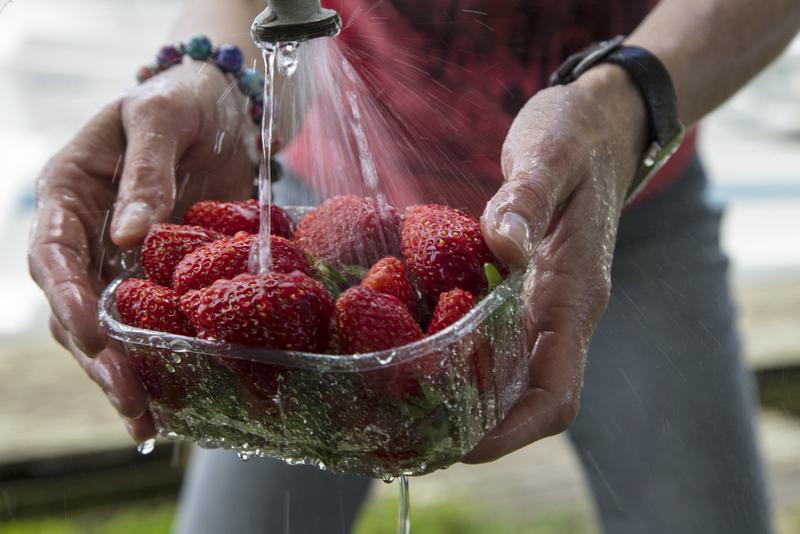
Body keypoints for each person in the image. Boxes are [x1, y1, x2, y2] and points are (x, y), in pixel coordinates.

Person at [28, 1, 800, 532]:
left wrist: (630, 100)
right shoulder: (293, 271)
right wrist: (216, 78)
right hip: (315, 236)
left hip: (624, 205)